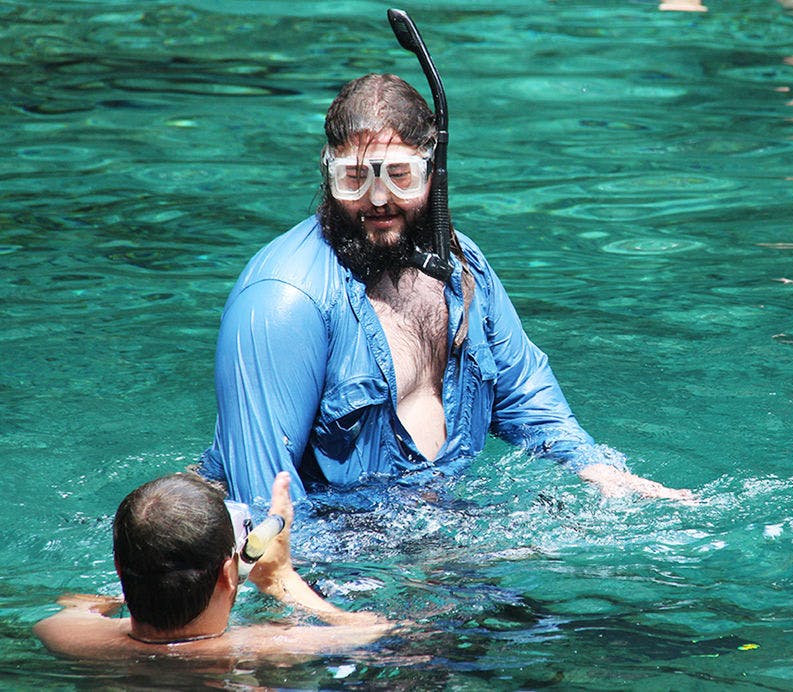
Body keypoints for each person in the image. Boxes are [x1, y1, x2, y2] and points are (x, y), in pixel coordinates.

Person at [198, 72, 694, 505]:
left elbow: (522, 391)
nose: (377, 199)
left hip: (432, 520)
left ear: (434, 170)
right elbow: (265, 505)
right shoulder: (284, 301)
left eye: (399, 176)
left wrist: (592, 466)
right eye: (354, 179)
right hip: (337, 543)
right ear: (328, 173)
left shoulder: (460, 267)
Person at [33, 472, 392, 660]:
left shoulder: (65, 636)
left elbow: (78, 606)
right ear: (228, 573)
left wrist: (137, 581)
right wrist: (281, 577)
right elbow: (376, 630)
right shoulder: (265, 646)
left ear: (118, 567)